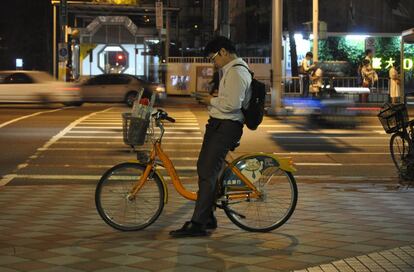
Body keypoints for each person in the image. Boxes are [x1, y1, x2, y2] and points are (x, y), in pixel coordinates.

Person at [170, 36, 252, 238]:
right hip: (219, 125)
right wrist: (210, 101)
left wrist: (210, 100)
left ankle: (199, 223)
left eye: (213, 57)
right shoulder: (230, 71)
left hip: (226, 127)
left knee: (207, 172)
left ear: (223, 52)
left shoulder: (237, 72)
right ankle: (208, 216)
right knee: (206, 170)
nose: (212, 62)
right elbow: (226, 102)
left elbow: (231, 105)